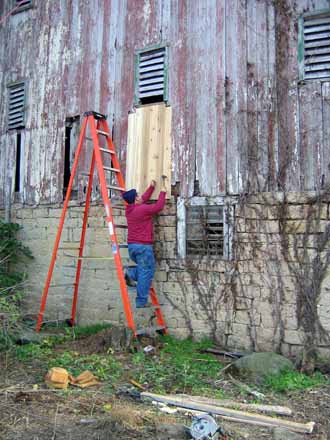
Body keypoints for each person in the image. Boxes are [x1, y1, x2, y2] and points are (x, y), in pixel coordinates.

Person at [122, 180, 166, 308]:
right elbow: (158, 207)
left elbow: (142, 199)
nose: (140, 196)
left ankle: (130, 274)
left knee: (146, 270)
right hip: (143, 247)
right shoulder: (141, 210)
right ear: (135, 200)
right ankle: (141, 301)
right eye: (137, 195)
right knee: (146, 273)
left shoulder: (130, 209)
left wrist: (151, 188)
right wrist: (163, 191)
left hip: (133, 247)